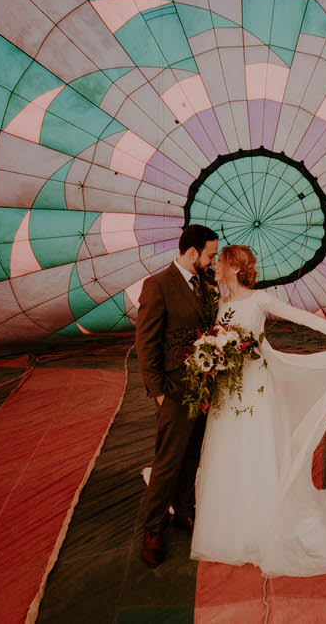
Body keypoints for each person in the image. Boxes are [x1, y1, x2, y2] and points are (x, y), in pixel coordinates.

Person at [190, 245, 326, 576]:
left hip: (255, 386)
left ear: (234, 268)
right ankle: (231, 515)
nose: (215, 268)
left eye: (220, 263)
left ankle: (264, 517)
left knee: (257, 446)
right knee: (227, 447)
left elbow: (301, 316)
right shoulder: (219, 302)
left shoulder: (259, 300)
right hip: (228, 387)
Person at [135, 224, 219, 568]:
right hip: (173, 390)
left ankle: (184, 511)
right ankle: (153, 529)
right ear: (192, 252)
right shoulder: (157, 285)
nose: (213, 261)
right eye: (210, 255)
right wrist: (157, 392)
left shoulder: (205, 283)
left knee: (192, 456)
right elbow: (146, 343)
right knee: (167, 462)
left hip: (203, 388)